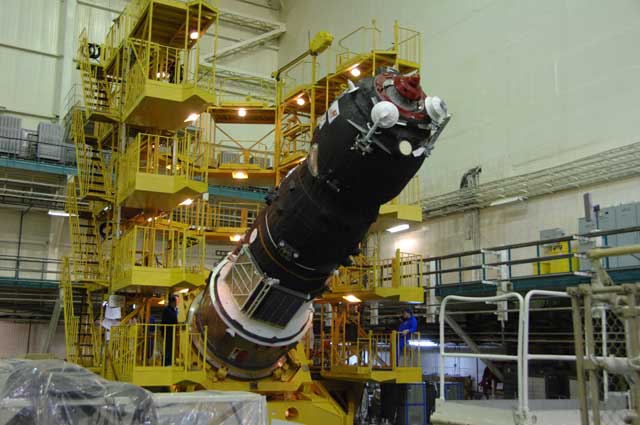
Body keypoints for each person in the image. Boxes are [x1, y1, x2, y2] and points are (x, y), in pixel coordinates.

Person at [161, 295, 178, 366]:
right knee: (168, 347)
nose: (176, 304)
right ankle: (167, 363)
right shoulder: (167, 310)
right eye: (175, 302)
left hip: (171, 331)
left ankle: (168, 362)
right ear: (172, 302)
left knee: (170, 347)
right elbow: (166, 320)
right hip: (168, 331)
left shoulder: (172, 310)